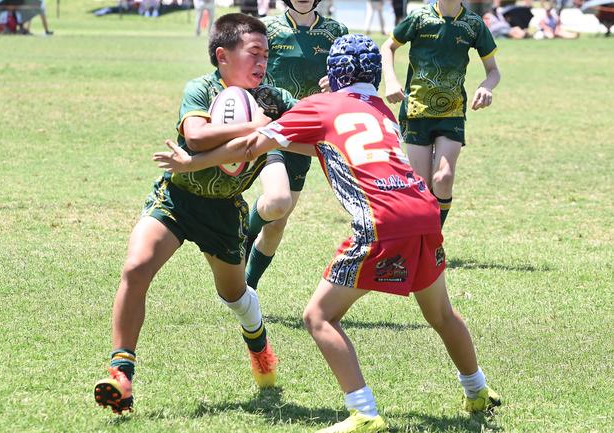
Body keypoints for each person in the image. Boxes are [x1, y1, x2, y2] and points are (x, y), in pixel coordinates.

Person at [155, 34, 502, 433]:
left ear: (334, 73)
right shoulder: (381, 110)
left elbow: (251, 145)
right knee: (440, 313)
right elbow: (323, 145)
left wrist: (191, 163)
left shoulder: (321, 107)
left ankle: (364, 413)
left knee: (319, 317)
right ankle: (477, 389)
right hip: (423, 211)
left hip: (381, 220)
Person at [92, 13, 297, 415]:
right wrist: (255, 125)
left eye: (267, 55)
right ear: (222, 56)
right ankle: (121, 374)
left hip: (223, 214)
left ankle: (259, 346)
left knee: (235, 296)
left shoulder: (274, 99)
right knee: (135, 269)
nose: (262, 63)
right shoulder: (202, 88)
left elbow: (312, 118)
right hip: (178, 201)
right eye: (254, 53)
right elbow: (195, 136)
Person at [244, 0, 347, 291]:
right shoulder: (269, 29)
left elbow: (353, 84)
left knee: (277, 224)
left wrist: (337, 83)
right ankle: (242, 240)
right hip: (273, 128)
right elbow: (249, 72)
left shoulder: (335, 32)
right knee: (277, 201)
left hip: (307, 134)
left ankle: (246, 288)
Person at [380, 0, 500, 229]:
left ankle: (434, 239)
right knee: (421, 186)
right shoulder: (420, 17)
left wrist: (486, 87)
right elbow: (388, 47)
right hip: (416, 110)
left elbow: (493, 71)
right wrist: (391, 81)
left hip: (451, 111)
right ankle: (419, 241)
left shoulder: (473, 24)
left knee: (443, 178)